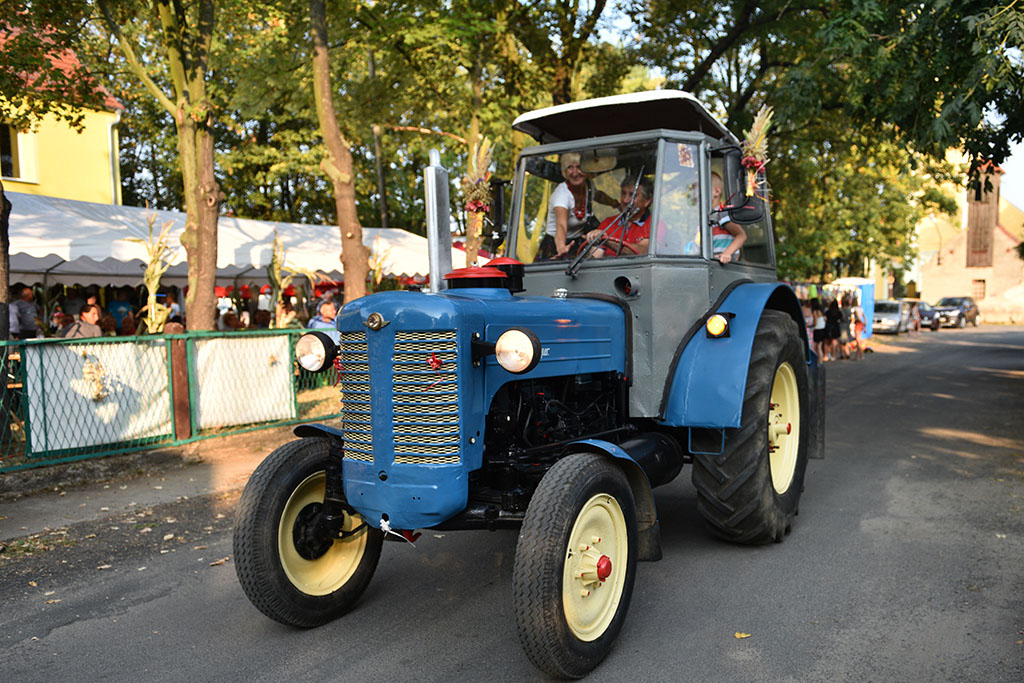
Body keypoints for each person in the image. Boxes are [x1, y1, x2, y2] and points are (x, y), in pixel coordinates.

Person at [540, 152, 614, 260]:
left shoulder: (588, 186)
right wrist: (561, 247)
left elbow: (599, 196)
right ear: (565, 171)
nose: (575, 173)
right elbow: (561, 225)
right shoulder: (561, 195)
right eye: (570, 167)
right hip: (556, 246)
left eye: (579, 167)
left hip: (577, 243)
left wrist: (616, 204)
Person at [582, 176, 654, 258]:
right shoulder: (608, 223)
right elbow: (595, 258)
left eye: (632, 195)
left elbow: (641, 251)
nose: (625, 200)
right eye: (623, 193)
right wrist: (592, 239)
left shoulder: (655, 225)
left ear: (647, 201)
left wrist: (606, 241)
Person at [709, 172, 747, 264]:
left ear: (716, 192)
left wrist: (726, 254)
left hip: (724, 264)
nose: (695, 193)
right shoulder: (706, 216)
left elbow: (741, 235)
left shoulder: (722, 213)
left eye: (699, 189)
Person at [851, 296, 866, 361]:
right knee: (858, 340)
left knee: (858, 340)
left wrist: (862, 323)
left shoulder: (855, 309)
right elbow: (864, 317)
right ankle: (858, 355)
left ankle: (860, 355)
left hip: (858, 323)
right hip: (861, 324)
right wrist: (864, 324)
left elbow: (858, 317)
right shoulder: (861, 308)